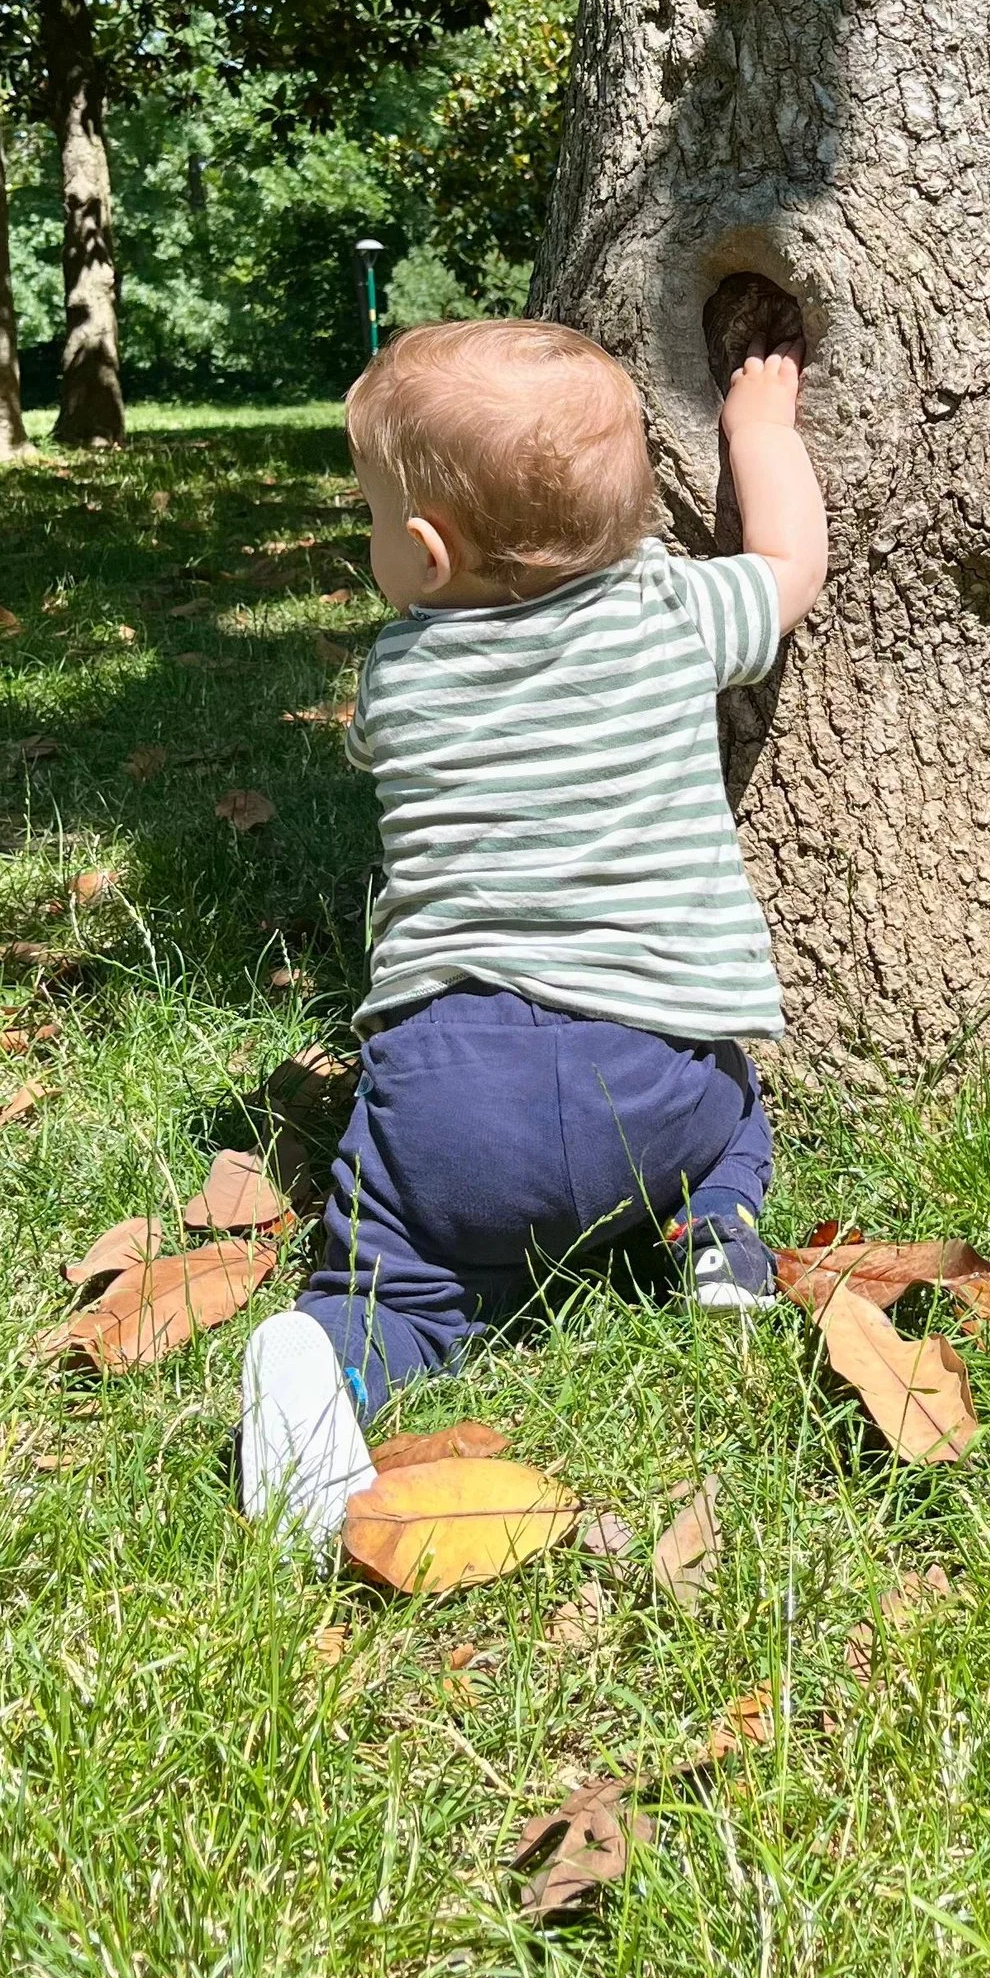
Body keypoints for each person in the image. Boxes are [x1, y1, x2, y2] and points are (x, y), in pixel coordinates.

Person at [238, 315, 827, 1555]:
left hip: (449, 1096)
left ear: (426, 553)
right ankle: (717, 1238)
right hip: (656, 1080)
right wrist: (760, 430)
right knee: (739, 1097)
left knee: (397, 1278)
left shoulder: (398, 677)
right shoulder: (670, 615)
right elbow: (788, 565)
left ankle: (332, 1365)